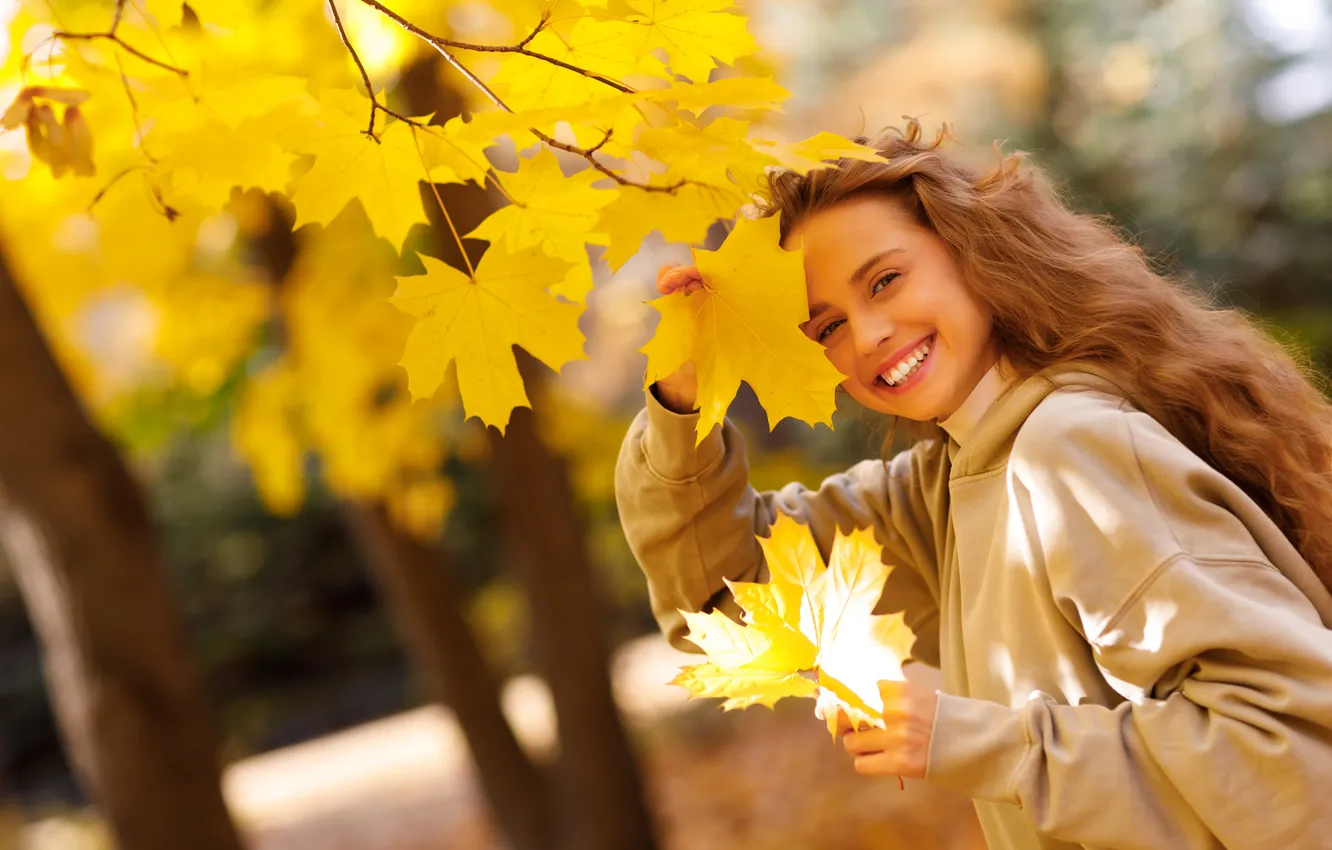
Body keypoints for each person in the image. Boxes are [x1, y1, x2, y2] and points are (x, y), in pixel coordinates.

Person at [614, 121, 1332, 850]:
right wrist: (684, 389)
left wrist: (975, 738)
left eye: (885, 281)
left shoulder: (1070, 449)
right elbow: (727, 604)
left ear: (970, 250)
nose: (866, 337)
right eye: (826, 327)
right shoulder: (947, 485)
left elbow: (1293, 764)